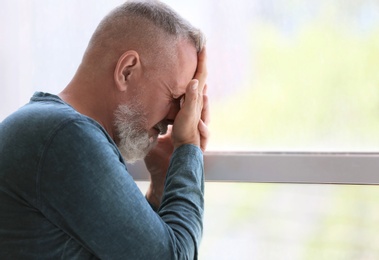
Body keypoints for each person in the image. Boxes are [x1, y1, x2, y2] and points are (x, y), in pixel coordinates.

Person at [0, 1, 209, 259]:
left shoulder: (50, 129)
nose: (178, 117)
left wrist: (159, 190)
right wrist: (188, 147)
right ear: (127, 71)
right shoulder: (66, 137)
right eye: (177, 97)